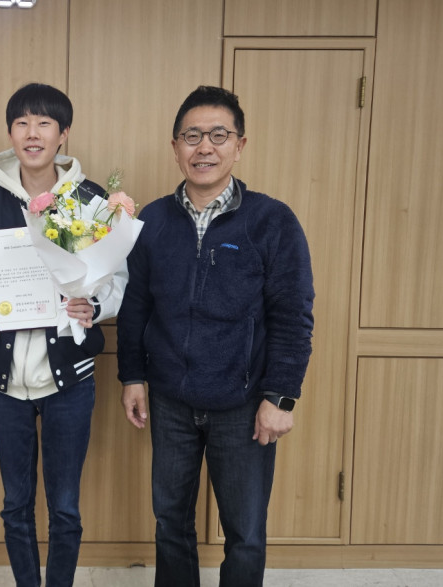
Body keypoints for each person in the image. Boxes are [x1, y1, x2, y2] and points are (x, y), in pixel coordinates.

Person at [117, 86, 314, 587]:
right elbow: (136, 306)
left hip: (243, 405)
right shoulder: (152, 221)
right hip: (170, 400)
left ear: (239, 145)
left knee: (244, 533)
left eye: (218, 135)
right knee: (170, 525)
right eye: (192, 136)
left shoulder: (272, 220)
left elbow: (293, 315)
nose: (204, 147)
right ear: (175, 147)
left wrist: (280, 397)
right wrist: (132, 376)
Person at [0, 83, 127, 587]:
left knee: (65, 507)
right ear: (10, 132)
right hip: (2, 381)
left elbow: (117, 281)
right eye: (22, 123)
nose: (32, 134)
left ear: (63, 133)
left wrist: (92, 307)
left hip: (70, 379)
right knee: (15, 505)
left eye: (44, 123)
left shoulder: (91, 199)